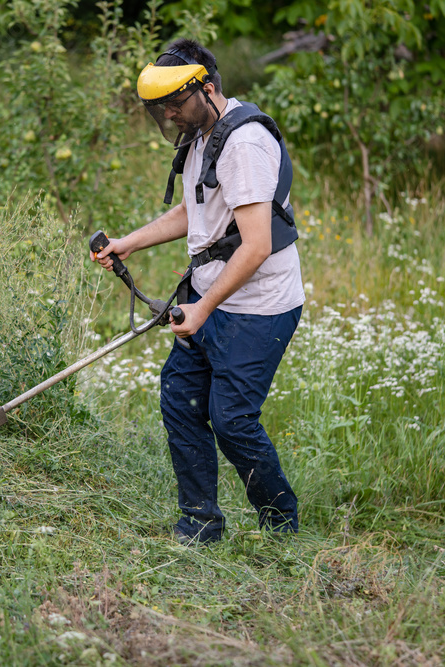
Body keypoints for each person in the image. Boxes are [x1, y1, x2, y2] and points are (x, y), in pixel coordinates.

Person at [92, 39, 304, 545]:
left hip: (257, 308)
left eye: (177, 103)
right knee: (181, 401)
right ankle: (199, 526)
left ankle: (281, 530)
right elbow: (196, 210)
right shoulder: (200, 134)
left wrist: (203, 309)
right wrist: (128, 243)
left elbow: (254, 246)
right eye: (161, 109)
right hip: (209, 299)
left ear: (207, 88)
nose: (170, 114)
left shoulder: (244, 146)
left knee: (230, 419)